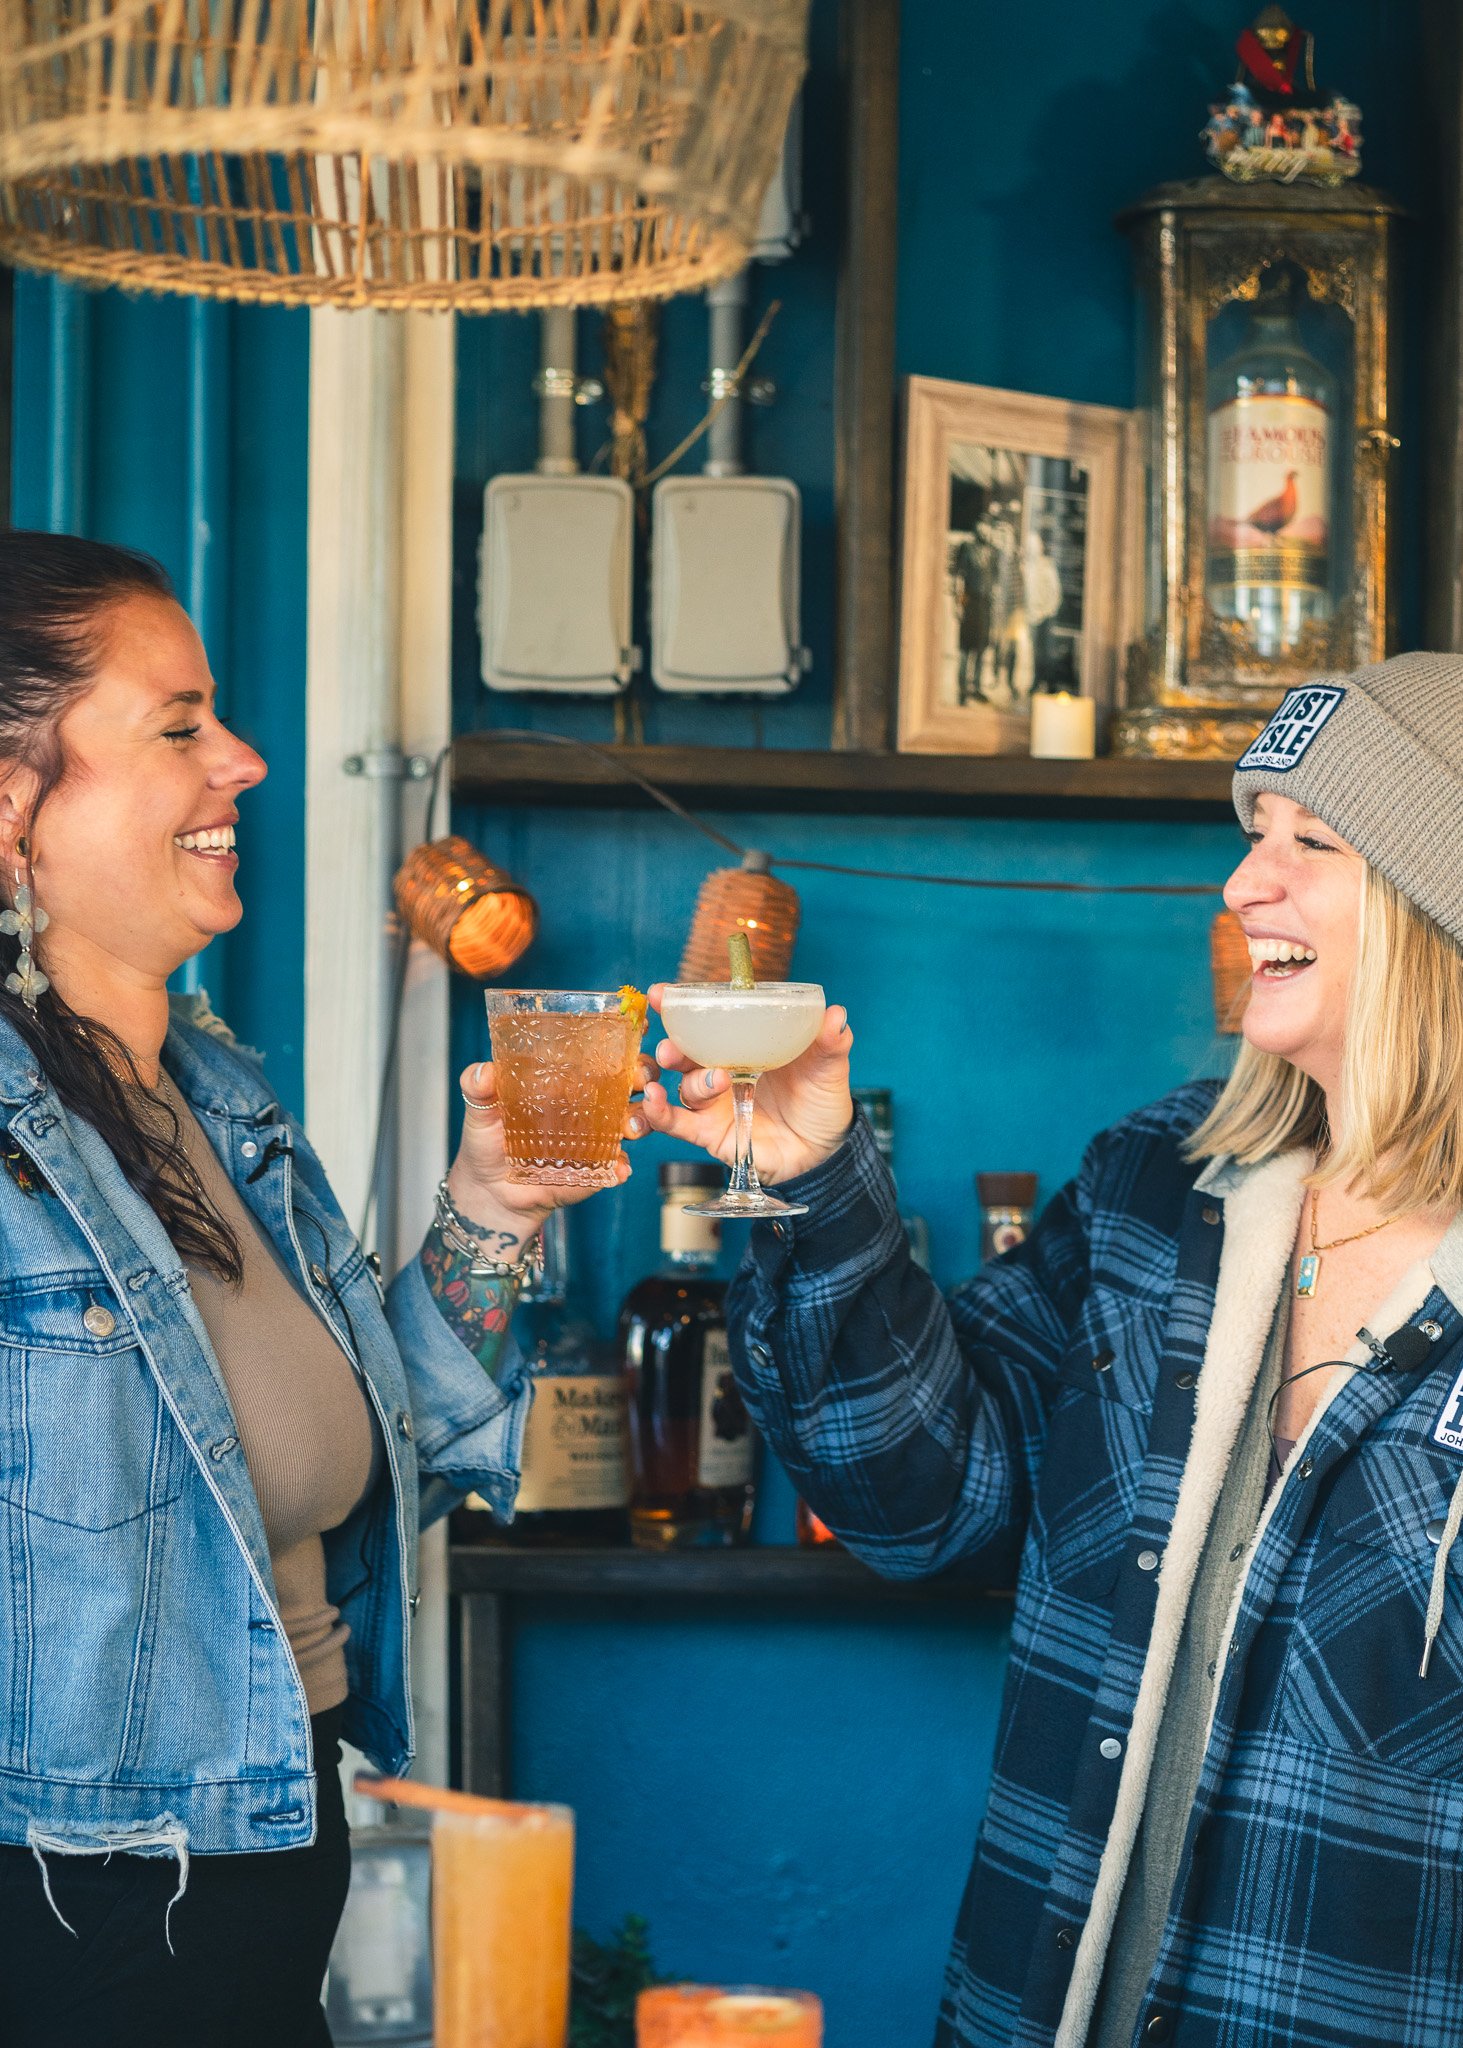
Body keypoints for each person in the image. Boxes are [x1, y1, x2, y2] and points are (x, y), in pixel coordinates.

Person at [642, 653, 1463, 2048]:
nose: (1242, 888)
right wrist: (819, 1175)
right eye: (1250, 838)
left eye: (1310, 844)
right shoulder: (1159, 1186)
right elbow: (924, 1504)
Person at [0, 532, 647, 2048]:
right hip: (72, 1911)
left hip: (257, 1875)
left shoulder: (209, 1096)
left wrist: (491, 1209)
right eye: (177, 730)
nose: (244, 760)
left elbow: (331, 1472)